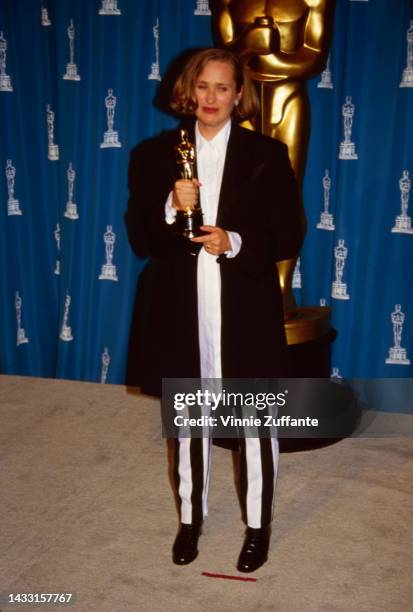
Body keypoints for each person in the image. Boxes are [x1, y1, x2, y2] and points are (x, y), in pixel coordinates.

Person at [125, 48, 303, 573]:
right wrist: (169, 208)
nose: (210, 98)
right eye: (202, 86)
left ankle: (257, 526)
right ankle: (190, 520)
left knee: (254, 421)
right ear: (187, 90)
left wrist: (236, 240)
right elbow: (142, 239)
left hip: (244, 304)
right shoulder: (153, 154)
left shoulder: (267, 154)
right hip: (181, 305)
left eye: (222, 88)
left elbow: (289, 233)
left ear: (238, 95)